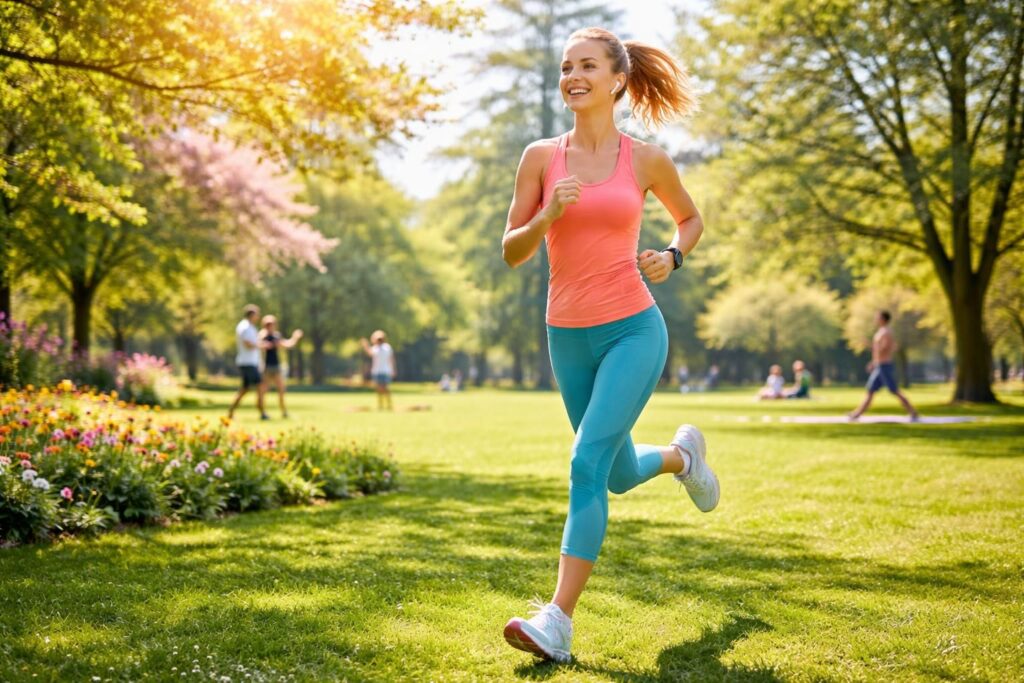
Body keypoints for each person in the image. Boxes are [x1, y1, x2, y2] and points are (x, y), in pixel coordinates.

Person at [499, 27, 719, 664]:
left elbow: (690, 218)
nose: (573, 76)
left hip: (632, 329)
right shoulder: (541, 157)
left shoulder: (644, 160)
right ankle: (682, 457)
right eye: (566, 66)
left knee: (585, 464)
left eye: (587, 66)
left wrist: (672, 256)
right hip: (566, 335)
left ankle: (557, 621)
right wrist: (547, 215)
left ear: (617, 80)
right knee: (616, 473)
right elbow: (512, 250)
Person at [849, 310, 920, 421]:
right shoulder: (881, 331)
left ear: (883, 319)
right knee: (870, 390)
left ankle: (912, 412)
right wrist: (874, 362)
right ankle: (857, 414)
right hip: (879, 365)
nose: (876, 319)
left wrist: (869, 345)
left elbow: (885, 348)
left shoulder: (886, 332)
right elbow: (881, 350)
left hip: (884, 366)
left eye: (878, 317)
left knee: (894, 390)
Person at [228, 304, 269, 420]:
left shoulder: (250, 327)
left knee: (245, 389)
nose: (258, 317)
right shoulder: (245, 327)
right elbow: (247, 343)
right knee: (260, 385)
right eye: (257, 315)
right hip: (247, 363)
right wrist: (261, 345)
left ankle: (231, 411)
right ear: (251, 315)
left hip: (250, 362)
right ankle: (262, 411)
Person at [259, 315, 303, 418]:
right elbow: (259, 345)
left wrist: (295, 337)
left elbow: (287, 344)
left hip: (276, 367)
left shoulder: (276, 336)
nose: (271, 326)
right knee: (262, 391)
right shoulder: (262, 336)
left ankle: (284, 412)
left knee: (281, 390)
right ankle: (262, 412)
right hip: (266, 367)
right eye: (268, 324)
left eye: (272, 324)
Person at [360, 330, 395, 411]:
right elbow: (370, 353)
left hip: (385, 371)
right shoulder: (375, 348)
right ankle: (380, 405)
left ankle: (389, 404)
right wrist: (366, 345)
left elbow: (391, 359)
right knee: (378, 389)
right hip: (377, 371)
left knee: (385, 388)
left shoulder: (387, 347)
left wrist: (393, 369)